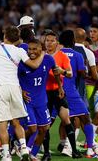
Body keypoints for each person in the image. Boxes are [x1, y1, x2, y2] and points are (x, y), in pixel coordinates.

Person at [0, 26, 45, 161]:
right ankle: (23, 147)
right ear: (17, 38)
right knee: (16, 121)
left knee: (3, 123)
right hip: (16, 88)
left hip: (0, 89)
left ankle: (6, 154)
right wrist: (43, 54)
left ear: (5, 36)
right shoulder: (19, 51)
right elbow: (34, 65)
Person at [59, 30, 98, 158]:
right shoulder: (78, 55)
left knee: (48, 122)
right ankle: (90, 149)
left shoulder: (55, 55)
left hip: (54, 92)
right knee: (85, 119)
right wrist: (85, 71)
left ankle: (29, 148)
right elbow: (83, 73)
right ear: (73, 40)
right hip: (72, 91)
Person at [18, 39, 61, 161]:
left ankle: (33, 154)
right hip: (27, 101)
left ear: (40, 49)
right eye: (29, 49)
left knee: (44, 129)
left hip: (42, 101)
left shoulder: (48, 59)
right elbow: (13, 79)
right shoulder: (22, 62)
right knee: (32, 128)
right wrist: (20, 91)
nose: (31, 52)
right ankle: (20, 145)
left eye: (34, 49)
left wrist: (60, 87)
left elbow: (56, 71)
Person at [42, 31, 81, 160]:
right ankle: (46, 153)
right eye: (47, 40)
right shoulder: (41, 56)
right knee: (45, 124)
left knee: (66, 119)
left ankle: (74, 151)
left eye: (52, 40)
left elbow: (70, 74)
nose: (49, 43)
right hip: (44, 94)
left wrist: (62, 71)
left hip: (58, 92)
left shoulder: (63, 56)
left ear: (57, 43)